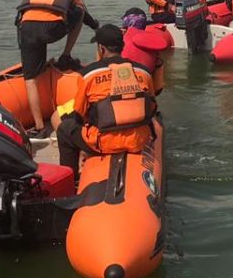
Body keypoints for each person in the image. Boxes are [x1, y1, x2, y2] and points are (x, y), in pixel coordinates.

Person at [56, 24, 158, 174]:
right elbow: (152, 106)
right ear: (122, 46)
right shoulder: (143, 72)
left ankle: (70, 181)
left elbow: (80, 114)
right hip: (139, 140)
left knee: (65, 129)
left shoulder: (88, 74)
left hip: (105, 142)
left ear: (101, 49)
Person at [15, 0, 98, 138]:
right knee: (80, 12)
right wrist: (96, 26)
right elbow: (83, 13)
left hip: (27, 28)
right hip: (51, 30)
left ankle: (39, 127)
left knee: (30, 80)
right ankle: (65, 55)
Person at [120, 7, 172, 94]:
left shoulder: (117, 40)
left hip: (118, 92)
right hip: (145, 95)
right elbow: (158, 88)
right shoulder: (154, 45)